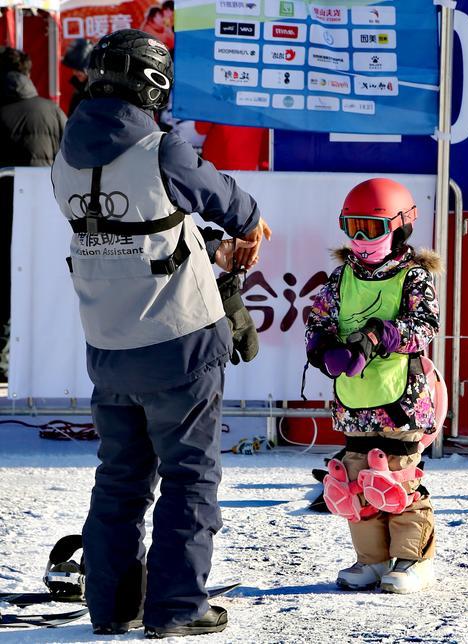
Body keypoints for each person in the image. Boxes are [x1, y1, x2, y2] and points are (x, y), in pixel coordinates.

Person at [51, 29, 270, 637]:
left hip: (107, 341)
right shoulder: (160, 147)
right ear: (154, 84)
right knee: (190, 476)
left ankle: (112, 607)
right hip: (179, 339)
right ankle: (177, 609)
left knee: (120, 478)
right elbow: (231, 201)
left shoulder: (63, 153)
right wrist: (247, 224)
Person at [305, 178, 442, 594]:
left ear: (400, 228)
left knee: (395, 479)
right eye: (353, 227)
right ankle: (373, 560)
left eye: (373, 228)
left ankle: (413, 559)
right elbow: (319, 316)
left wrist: (379, 335)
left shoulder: (412, 277)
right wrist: (323, 345)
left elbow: (426, 326)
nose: (362, 239)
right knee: (354, 480)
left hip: (400, 399)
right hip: (356, 399)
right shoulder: (341, 276)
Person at [0, 46, 67, 382]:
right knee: (37, 286)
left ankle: (4, 361)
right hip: (43, 215)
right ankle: (36, 361)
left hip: (3, 213)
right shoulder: (51, 110)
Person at [61, 38, 94, 116]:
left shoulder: (97, 91)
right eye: (74, 69)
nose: (75, 73)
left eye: (79, 69)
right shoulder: (79, 87)